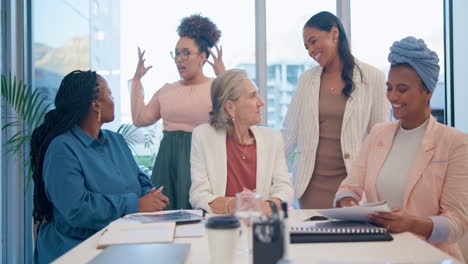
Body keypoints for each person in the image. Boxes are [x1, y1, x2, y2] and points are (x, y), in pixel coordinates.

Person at [335, 36, 468, 261]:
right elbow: (348, 187)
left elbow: (457, 222)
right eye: (390, 88)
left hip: (431, 257)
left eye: (403, 89)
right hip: (381, 254)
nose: (393, 97)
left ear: (428, 92)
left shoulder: (455, 143)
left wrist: (413, 224)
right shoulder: (379, 133)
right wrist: (350, 204)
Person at [31, 70, 169, 264]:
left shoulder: (116, 140)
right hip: (77, 248)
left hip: (122, 240)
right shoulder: (62, 148)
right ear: (96, 105)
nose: (114, 100)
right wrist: (136, 205)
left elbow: (138, 177)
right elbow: (77, 209)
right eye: (110, 94)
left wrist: (150, 196)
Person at [282, 11, 389, 209]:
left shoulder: (373, 77)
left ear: (334, 33)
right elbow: (289, 133)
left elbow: (380, 139)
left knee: (350, 239)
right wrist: (266, 173)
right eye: (307, 47)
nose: (311, 50)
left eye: (314, 42)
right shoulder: (306, 80)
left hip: (354, 188)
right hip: (311, 187)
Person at [131, 14, 225, 210]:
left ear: (203, 56)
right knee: (164, 218)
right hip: (168, 161)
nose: (179, 59)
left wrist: (223, 77)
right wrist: (137, 81)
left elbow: (234, 119)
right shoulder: (166, 90)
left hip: (202, 161)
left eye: (185, 53)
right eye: (176, 53)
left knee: (200, 216)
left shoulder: (215, 87)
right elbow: (140, 119)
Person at [189, 69, 293, 215]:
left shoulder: (273, 138)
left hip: (261, 225)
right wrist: (239, 204)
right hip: (222, 225)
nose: (261, 102)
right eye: (252, 96)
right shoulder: (203, 136)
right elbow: (198, 195)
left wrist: (265, 206)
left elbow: (285, 189)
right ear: (230, 107)